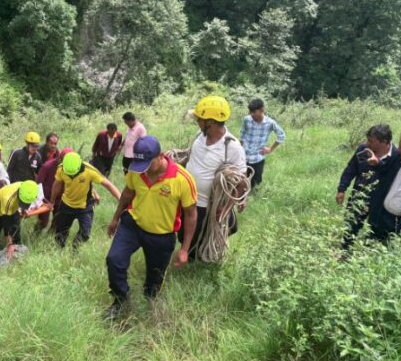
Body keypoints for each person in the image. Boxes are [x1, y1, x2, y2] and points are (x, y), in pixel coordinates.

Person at [105, 136, 197, 318]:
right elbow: (127, 193)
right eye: (141, 165)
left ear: (161, 156)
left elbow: (191, 214)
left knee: (154, 282)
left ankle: (150, 304)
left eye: (148, 164)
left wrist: (185, 249)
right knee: (114, 260)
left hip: (162, 235)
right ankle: (120, 300)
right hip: (133, 225)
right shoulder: (136, 170)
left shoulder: (182, 179)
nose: (144, 170)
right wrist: (115, 219)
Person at [182, 95, 247, 262]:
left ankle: (200, 263)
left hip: (207, 205)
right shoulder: (200, 135)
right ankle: (190, 258)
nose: (197, 121)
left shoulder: (232, 147)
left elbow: (242, 181)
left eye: (200, 119)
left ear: (210, 122)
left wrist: (226, 208)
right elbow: (191, 157)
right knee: (184, 235)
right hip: (188, 198)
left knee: (200, 238)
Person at [336, 124, 398, 248]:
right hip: (359, 194)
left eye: (371, 141)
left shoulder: (396, 157)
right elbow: (351, 169)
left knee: (376, 230)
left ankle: (368, 254)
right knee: (350, 225)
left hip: (381, 201)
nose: (367, 143)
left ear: (384, 142)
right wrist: (342, 189)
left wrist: (378, 164)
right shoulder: (364, 149)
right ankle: (344, 251)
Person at [51, 153, 121, 249]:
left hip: (85, 207)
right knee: (60, 234)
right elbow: (57, 185)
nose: (71, 175)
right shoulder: (61, 169)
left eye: (73, 173)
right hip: (67, 204)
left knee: (85, 233)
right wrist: (52, 201)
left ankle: (74, 249)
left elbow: (108, 185)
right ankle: (59, 251)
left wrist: (121, 200)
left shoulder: (89, 170)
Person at [239, 98, 286, 190]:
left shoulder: (270, 123)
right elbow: (242, 134)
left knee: (256, 182)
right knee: (243, 181)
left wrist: (270, 149)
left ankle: (254, 193)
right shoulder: (246, 120)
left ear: (262, 110)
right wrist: (239, 148)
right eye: (250, 112)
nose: (251, 114)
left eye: (254, 112)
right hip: (244, 156)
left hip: (258, 157)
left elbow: (281, 135)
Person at [0, 180, 39, 252]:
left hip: (12, 208)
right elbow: (6, 225)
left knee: (15, 230)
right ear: (19, 194)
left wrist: (23, 209)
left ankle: (16, 247)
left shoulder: (28, 188)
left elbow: (26, 199)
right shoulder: (8, 199)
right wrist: (9, 244)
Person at [36, 147, 73, 230]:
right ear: (60, 159)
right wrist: (42, 200)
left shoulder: (71, 168)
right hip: (46, 198)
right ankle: (35, 233)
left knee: (57, 222)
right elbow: (38, 183)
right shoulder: (47, 166)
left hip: (60, 198)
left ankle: (51, 236)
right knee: (43, 223)